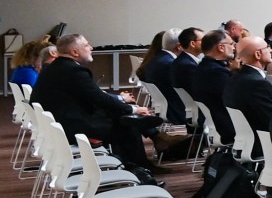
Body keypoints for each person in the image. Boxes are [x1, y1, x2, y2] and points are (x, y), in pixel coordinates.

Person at [32, 33, 163, 175]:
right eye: (87, 45)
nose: (91, 48)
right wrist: (133, 110)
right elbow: (98, 98)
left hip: (60, 122)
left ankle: (140, 162)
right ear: (74, 52)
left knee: (120, 116)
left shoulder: (57, 67)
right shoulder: (73, 70)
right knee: (127, 126)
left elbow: (93, 97)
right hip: (72, 127)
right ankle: (137, 172)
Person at [188, 28, 237, 149]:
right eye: (231, 44)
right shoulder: (216, 72)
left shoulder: (204, 67)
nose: (234, 48)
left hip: (214, 123)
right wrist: (237, 73)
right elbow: (233, 99)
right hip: (226, 125)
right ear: (221, 47)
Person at [225, 37, 272, 141]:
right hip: (263, 141)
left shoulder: (235, 77)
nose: (271, 50)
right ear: (258, 54)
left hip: (245, 139)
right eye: (267, 47)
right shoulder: (256, 83)